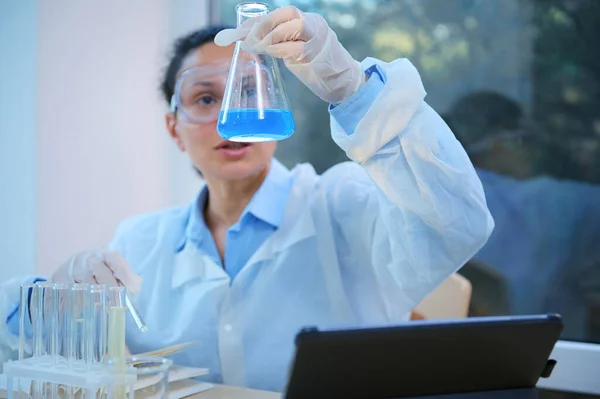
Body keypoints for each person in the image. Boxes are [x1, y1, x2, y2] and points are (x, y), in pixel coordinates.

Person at [4, 7, 493, 392]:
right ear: (173, 129)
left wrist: (353, 90)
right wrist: (49, 303)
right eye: (203, 99)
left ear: (274, 105)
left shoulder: (343, 204)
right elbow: (25, 356)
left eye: (245, 90)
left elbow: (458, 221)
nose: (227, 118)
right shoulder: (139, 240)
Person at [444, 91, 600, 341]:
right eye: (524, 139)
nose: (532, 150)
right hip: (553, 366)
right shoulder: (552, 203)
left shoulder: (426, 196)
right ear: (499, 142)